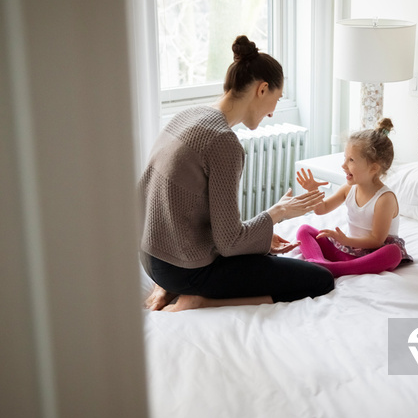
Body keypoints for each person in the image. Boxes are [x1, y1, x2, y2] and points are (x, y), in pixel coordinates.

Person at [139, 35, 334, 312]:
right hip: (184, 270)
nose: (272, 113)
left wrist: (263, 240)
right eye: (277, 99)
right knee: (320, 280)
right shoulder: (223, 141)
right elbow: (229, 243)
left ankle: (168, 288)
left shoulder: (189, 115)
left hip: (151, 259)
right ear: (263, 89)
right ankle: (199, 299)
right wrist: (278, 213)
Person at [295, 118, 412, 277]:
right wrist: (313, 191)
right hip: (349, 250)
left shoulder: (385, 199)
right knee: (304, 231)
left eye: (351, 160)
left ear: (373, 168)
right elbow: (321, 210)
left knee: (393, 253)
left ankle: (336, 269)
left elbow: (376, 240)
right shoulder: (348, 189)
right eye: (345, 158)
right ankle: (319, 262)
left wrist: (345, 240)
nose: (343, 165)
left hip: (372, 254)